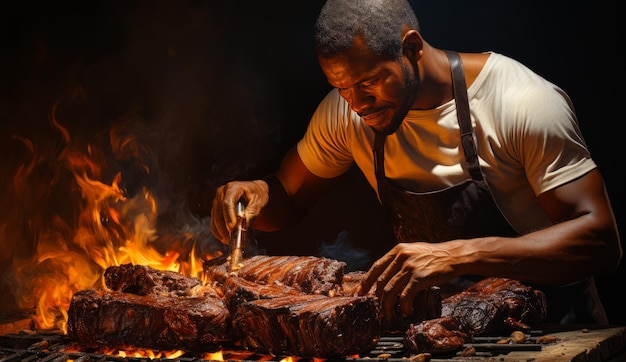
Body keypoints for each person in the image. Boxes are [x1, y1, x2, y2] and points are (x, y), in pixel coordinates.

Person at [210, 0, 622, 326]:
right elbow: (287, 197)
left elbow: (601, 240)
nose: (355, 103)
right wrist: (259, 194)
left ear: (412, 47)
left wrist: (458, 255)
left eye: (369, 82)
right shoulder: (347, 110)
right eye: (340, 87)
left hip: (556, 333)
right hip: (442, 336)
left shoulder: (520, 102)